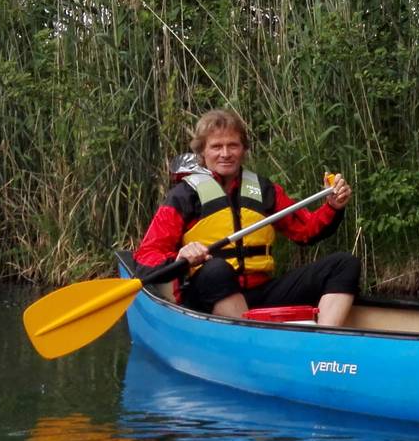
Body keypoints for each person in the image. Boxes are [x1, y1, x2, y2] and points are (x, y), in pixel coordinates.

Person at [134, 108, 361, 326]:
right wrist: (179, 258)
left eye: (233, 145)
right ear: (202, 152)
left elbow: (306, 231)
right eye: (216, 146)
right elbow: (146, 256)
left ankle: (323, 343)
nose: (225, 153)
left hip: (260, 293)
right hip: (206, 297)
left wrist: (332, 206)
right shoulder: (183, 196)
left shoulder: (264, 190)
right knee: (216, 269)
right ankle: (248, 338)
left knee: (344, 263)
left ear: (244, 149)